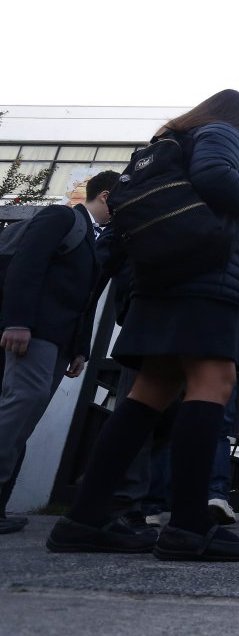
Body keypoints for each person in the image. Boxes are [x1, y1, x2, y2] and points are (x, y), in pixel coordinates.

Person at [47, 89, 239, 561]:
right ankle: (190, 527)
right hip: (207, 281)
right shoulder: (221, 131)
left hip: (168, 279)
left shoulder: (180, 140)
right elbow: (218, 182)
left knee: (150, 392)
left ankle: (83, 519)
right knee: (214, 382)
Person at [0, 171, 116, 534]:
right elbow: (27, 265)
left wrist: (79, 348)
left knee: (25, 418)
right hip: (33, 333)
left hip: (58, 342)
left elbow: (85, 299)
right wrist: (17, 321)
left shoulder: (94, 238)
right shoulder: (62, 217)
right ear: (107, 195)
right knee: (22, 405)